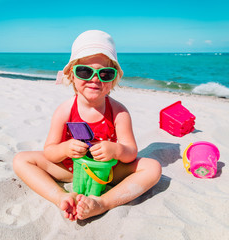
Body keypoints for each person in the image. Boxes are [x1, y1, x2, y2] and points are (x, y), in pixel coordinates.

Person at [13, 30, 162, 221]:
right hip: (70, 169)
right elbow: (50, 151)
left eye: (105, 73)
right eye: (85, 71)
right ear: (71, 75)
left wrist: (115, 149)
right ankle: (61, 196)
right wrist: (66, 148)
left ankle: (104, 203)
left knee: (152, 168)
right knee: (21, 160)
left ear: (113, 79)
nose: (95, 79)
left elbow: (131, 152)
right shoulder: (65, 110)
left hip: (107, 171)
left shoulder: (119, 112)